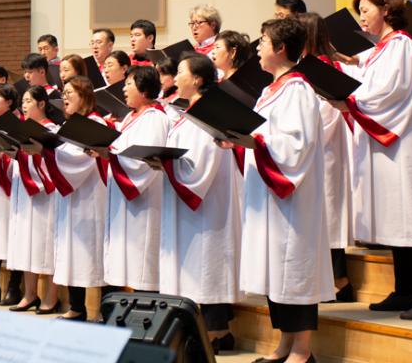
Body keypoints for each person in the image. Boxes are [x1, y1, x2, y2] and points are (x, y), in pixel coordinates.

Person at [337, 0, 412, 320]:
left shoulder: (401, 44)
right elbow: (364, 80)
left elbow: (390, 91)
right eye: (360, 12)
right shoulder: (379, 50)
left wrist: (351, 100)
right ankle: (406, 290)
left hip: (406, 144)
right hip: (390, 145)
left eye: (366, 10)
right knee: (401, 218)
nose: (362, 18)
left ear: (386, 9)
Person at [234, 19, 333, 363]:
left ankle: (302, 351)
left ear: (280, 48)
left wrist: (255, 139)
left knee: (295, 270)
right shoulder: (269, 91)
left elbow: (296, 145)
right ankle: (284, 344)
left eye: (262, 41)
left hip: (291, 199)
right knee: (278, 272)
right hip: (267, 194)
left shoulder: (299, 90)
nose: (257, 48)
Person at [160, 54, 242, 354]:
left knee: (210, 260)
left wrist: (167, 163)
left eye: (180, 72)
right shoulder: (191, 112)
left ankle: (218, 331)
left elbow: (203, 162)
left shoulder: (208, 113)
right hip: (193, 202)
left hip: (208, 204)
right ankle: (202, 329)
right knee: (198, 262)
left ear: (197, 79)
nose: (174, 77)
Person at [296, 13, 354, 302]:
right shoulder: (303, 69)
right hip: (309, 152)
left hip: (325, 152)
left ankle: (340, 280)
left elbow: (330, 113)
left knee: (329, 214)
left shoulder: (327, 68)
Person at [41, 76, 108, 321]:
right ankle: (77, 307)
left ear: (85, 96)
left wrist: (48, 153)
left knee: (90, 253)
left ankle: (102, 311)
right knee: (72, 253)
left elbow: (80, 160)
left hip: (90, 198)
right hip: (71, 198)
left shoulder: (95, 123)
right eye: (63, 92)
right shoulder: (67, 126)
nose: (65, 97)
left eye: (70, 92)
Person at [100, 66, 169, 290]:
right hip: (123, 196)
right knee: (122, 257)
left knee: (141, 258)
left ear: (144, 88)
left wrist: (110, 153)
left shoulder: (155, 118)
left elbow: (145, 159)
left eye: (129, 83)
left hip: (143, 199)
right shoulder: (131, 116)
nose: (124, 88)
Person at [6, 86, 60, 314]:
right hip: (24, 194)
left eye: (28, 101)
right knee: (26, 245)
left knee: (45, 245)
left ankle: (51, 297)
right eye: (23, 101)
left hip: (45, 198)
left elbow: (55, 164)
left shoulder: (52, 131)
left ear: (41, 104)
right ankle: (29, 294)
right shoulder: (21, 131)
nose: (24, 105)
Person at [0, 84, 24, 304]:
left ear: (9, 102)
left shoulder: (17, 125)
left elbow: (20, 155)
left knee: (12, 238)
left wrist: (4, 157)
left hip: (13, 184)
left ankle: (13, 287)